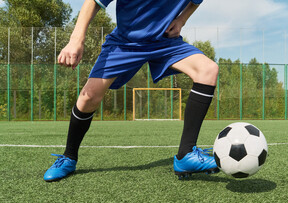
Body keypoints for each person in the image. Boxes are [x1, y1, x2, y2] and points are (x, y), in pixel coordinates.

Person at [44, 0, 219, 182]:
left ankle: (186, 154)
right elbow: (93, 1)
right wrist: (75, 41)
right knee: (89, 98)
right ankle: (69, 157)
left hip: (165, 42)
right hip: (125, 43)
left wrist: (181, 20)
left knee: (208, 70)